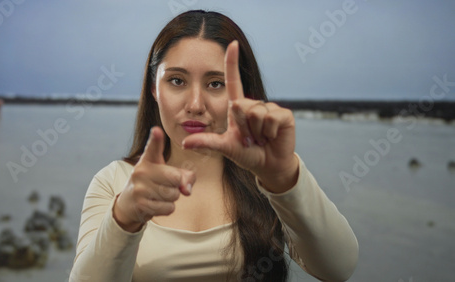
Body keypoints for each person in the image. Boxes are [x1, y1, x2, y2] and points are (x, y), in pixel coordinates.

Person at [70, 10, 358, 282]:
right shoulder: (114, 182)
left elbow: (338, 268)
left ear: (241, 92)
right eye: (177, 80)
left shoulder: (268, 178)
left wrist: (283, 177)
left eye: (216, 84)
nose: (195, 105)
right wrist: (126, 215)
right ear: (154, 88)